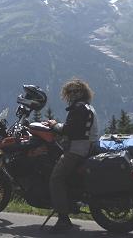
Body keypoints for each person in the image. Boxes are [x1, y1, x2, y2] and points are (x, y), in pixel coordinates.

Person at [46, 78, 98, 233]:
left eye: (75, 91)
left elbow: (69, 130)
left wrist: (54, 125)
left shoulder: (80, 108)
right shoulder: (86, 107)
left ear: (82, 92)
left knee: (56, 179)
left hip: (77, 150)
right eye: (70, 91)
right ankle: (69, 202)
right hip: (86, 147)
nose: (72, 94)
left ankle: (63, 219)